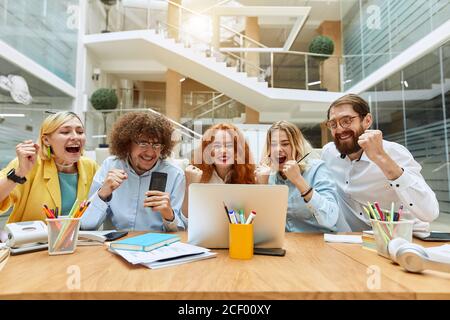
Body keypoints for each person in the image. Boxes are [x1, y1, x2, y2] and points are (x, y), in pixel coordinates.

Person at [321, 94, 439, 231]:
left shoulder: (394, 152)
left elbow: (430, 212)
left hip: (405, 238)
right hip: (355, 240)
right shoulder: (328, 154)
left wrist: (381, 159)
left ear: (367, 120)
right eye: (333, 124)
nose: (340, 129)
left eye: (346, 120)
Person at [81, 112, 186, 231]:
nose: (150, 152)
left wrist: (169, 215)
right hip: (117, 244)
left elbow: (180, 232)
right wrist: (103, 194)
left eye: (156, 145)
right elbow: (86, 225)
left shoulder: (175, 175)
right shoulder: (110, 166)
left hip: (157, 245)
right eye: (143, 143)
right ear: (127, 143)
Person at [0, 111, 98, 222]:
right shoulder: (27, 164)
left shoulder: (90, 167)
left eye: (80, 132)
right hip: (31, 238)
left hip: (77, 239)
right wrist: (19, 172)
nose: (76, 137)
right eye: (65, 132)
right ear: (46, 140)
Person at [255, 121, 348, 232]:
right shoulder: (268, 176)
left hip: (320, 242)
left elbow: (330, 218)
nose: (278, 149)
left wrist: (298, 180)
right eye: (273, 144)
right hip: (288, 243)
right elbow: (262, 225)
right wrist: (263, 187)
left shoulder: (317, 169)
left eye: (285, 144)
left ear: (297, 146)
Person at [182, 123, 255, 217]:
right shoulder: (196, 176)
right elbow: (186, 218)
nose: (223, 151)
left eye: (229, 146)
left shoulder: (249, 176)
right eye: (217, 146)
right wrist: (190, 186)